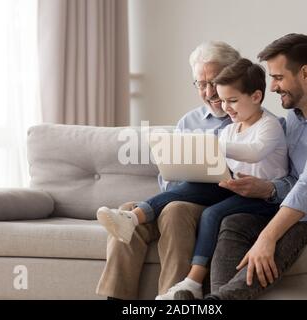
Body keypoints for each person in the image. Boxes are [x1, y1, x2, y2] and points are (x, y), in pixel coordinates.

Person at [174, 33, 307, 300]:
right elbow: (292, 179)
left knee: (290, 232)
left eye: (278, 78)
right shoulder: (293, 118)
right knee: (234, 222)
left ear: (305, 73)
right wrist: (268, 189)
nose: (272, 87)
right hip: (302, 212)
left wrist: (267, 237)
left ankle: (217, 302)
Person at [97, 58, 288, 300]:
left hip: (260, 198)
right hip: (227, 188)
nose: (215, 98)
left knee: (180, 210)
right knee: (164, 196)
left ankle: (186, 287)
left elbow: (253, 151)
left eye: (229, 98)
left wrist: (210, 145)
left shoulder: (268, 125)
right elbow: (215, 167)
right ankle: (132, 218)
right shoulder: (224, 126)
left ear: (256, 96)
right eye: (202, 84)